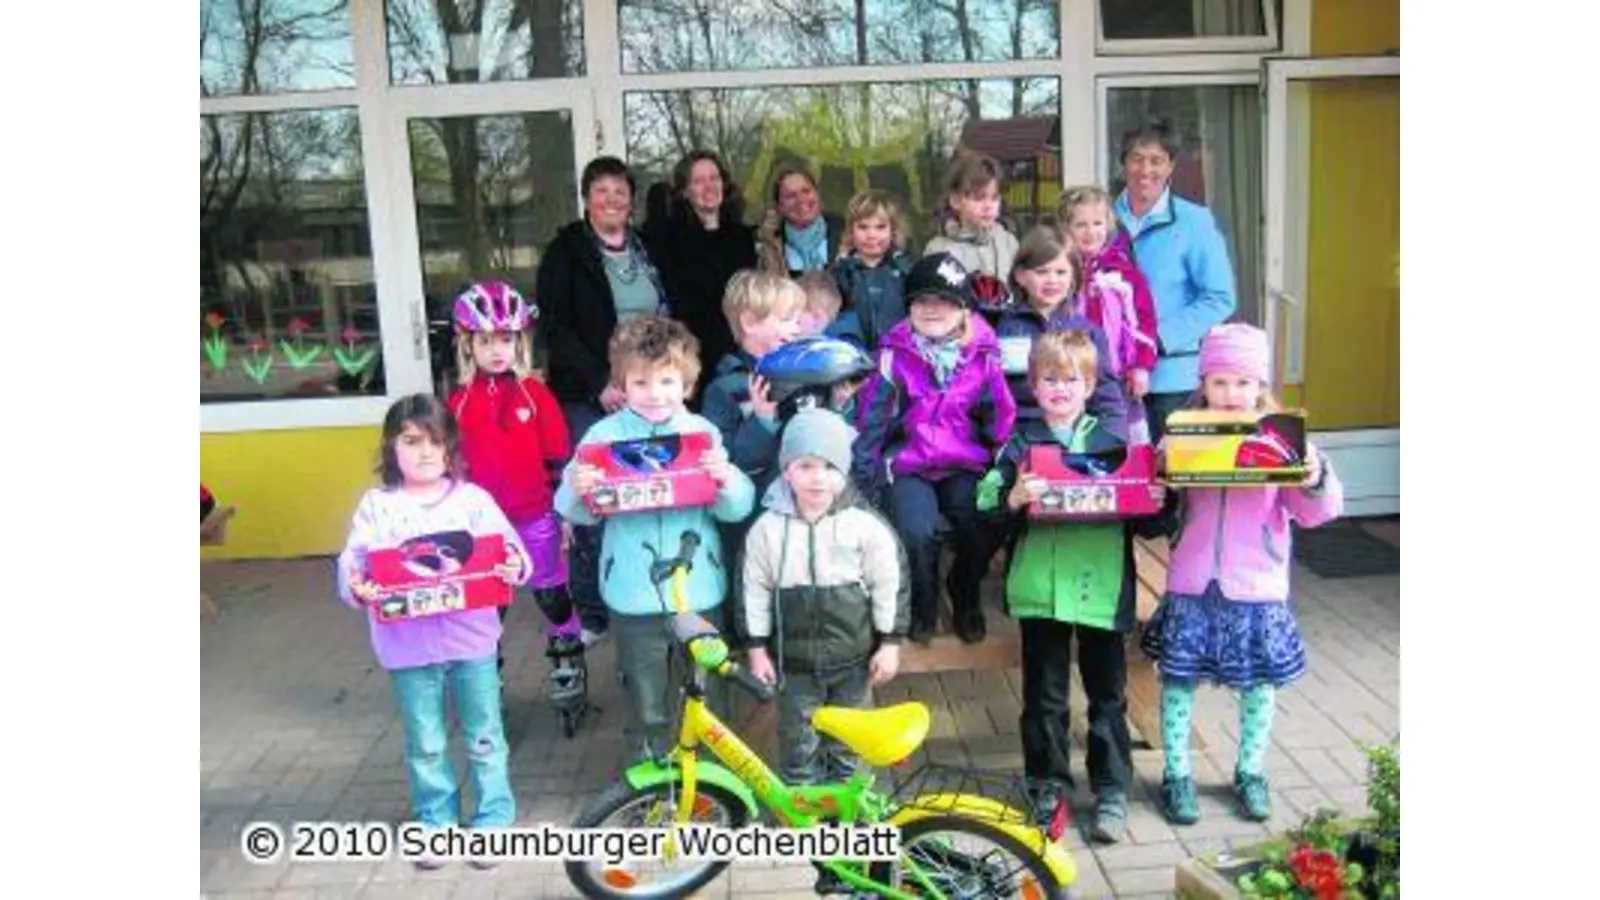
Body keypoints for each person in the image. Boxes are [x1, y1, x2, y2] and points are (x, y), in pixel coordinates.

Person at [1140, 324, 1344, 826]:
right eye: (1221, 382)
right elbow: (1158, 497)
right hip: (1192, 581)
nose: (1232, 394)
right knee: (1179, 680)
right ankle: (1177, 772)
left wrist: (1315, 476)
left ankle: (1250, 770)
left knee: (1258, 687)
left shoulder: (1281, 437)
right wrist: (1161, 467)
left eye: (1243, 383)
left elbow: (1314, 512)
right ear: (1204, 383)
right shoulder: (1183, 431)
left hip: (1256, 584)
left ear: (1260, 386)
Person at [975, 331, 1167, 844]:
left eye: (1073, 379)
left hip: (1102, 589)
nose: (1061, 388)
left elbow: (1148, 522)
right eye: (1050, 378)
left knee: (1108, 696)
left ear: (1090, 385)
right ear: (1034, 385)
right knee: (1045, 699)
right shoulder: (1019, 446)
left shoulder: (1114, 444)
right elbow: (985, 505)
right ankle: (1047, 787)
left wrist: (1157, 497)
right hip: (1041, 590)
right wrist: (1013, 496)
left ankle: (1111, 788)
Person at [336, 394, 530, 869]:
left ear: (451, 449)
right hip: (408, 648)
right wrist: (357, 585)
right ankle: (436, 823)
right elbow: (354, 563)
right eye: (411, 441)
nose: (425, 452)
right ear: (390, 448)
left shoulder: (472, 500)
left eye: (436, 442)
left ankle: (493, 817)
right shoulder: (377, 507)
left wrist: (511, 566)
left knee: (485, 733)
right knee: (425, 741)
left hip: (472, 641)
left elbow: (512, 552)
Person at [553, 316, 756, 764]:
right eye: (640, 381)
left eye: (667, 380)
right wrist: (577, 484)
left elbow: (735, 509)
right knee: (645, 700)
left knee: (709, 694)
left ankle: (715, 784)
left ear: (686, 383)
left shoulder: (701, 434)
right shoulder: (602, 437)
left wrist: (726, 480)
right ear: (621, 384)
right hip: (632, 591)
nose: (654, 392)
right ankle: (650, 786)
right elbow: (576, 510)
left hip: (699, 588)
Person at [851, 253, 1016, 645]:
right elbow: (871, 421)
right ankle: (922, 603)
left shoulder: (984, 356)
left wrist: (1002, 464)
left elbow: (1000, 416)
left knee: (984, 520)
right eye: (922, 301)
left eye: (944, 301)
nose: (932, 309)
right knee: (915, 531)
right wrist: (862, 479)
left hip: (964, 463)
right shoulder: (892, 356)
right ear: (909, 307)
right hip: (909, 463)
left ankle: (964, 590)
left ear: (963, 311)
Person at [539, 156, 670, 644]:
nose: (612, 200)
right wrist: (600, 382)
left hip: (649, 388)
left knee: (648, 489)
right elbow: (556, 326)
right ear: (586, 198)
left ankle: (646, 590)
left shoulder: (645, 248)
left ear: (631, 201)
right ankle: (592, 609)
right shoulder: (566, 250)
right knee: (592, 496)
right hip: (588, 391)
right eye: (602, 191)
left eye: (621, 192)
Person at [744, 408, 909, 784]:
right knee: (799, 749)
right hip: (794, 666)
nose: (818, 477)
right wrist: (756, 648)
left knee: (849, 750)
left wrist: (890, 643)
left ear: (845, 471)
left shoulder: (865, 525)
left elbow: (889, 585)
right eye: (805, 466)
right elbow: (754, 589)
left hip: (854, 663)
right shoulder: (767, 530)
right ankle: (805, 831)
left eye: (829, 467)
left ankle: (851, 832)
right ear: (786, 470)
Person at [444, 280, 581, 690]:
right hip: (480, 525)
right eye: (485, 341)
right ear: (468, 345)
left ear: (519, 342)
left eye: (505, 339)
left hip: (534, 515)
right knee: (488, 602)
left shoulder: (536, 395)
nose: (496, 350)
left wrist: (566, 515)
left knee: (551, 594)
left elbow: (559, 458)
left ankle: (567, 662)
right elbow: (451, 470)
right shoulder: (458, 402)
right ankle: (487, 673)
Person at [1111, 120, 1237, 446]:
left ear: (1171, 166)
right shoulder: (1102, 220)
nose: (1145, 169)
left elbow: (1220, 297)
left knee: (1171, 484)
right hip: (1109, 380)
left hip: (1172, 380)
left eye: (1156, 160)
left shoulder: (1194, 221)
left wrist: (1157, 339)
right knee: (1121, 483)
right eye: (1137, 158)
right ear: (1123, 163)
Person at [996, 225, 1130, 441]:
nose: (1052, 280)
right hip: (1018, 439)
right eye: (1042, 272)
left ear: (1073, 277)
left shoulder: (1088, 332)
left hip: (1074, 438)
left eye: (1061, 272)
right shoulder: (1001, 328)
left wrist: (1113, 443)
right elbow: (990, 395)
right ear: (1020, 276)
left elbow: (1107, 397)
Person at [652, 151, 758, 399]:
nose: (709, 186)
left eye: (714, 178)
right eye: (698, 181)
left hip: (740, 351)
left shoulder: (741, 237)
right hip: (694, 354)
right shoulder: (670, 240)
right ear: (684, 191)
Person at [1058, 185, 1160, 445]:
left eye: (1097, 223)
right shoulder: (1060, 273)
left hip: (1117, 377)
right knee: (1077, 440)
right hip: (1070, 377)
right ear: (1066, 229)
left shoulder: (1125, 274)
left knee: (1124, 439)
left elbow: (1145, 322)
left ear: (1108, 225)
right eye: (1081, 224)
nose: (1090, 232)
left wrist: (1141, 367)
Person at [826, 189, 914, 351]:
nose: (871, 235)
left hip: (897, 357)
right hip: (853, 356)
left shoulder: (906, 271)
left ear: (892, 231)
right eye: (863, 227)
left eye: (880, 227)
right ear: (851, 231)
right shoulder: (840, 273)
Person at [923, 151, 1021, 282]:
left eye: (995, 198)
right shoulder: (940, 250)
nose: (988, 206)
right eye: (978, 198)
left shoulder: (1008, 242)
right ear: (956, 201)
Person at [757, 161, 845, 277]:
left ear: (817, 194)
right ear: (779, 206)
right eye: (790, 196)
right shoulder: (771, 245)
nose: (801, 200)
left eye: (806, 191)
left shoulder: (846, 233)